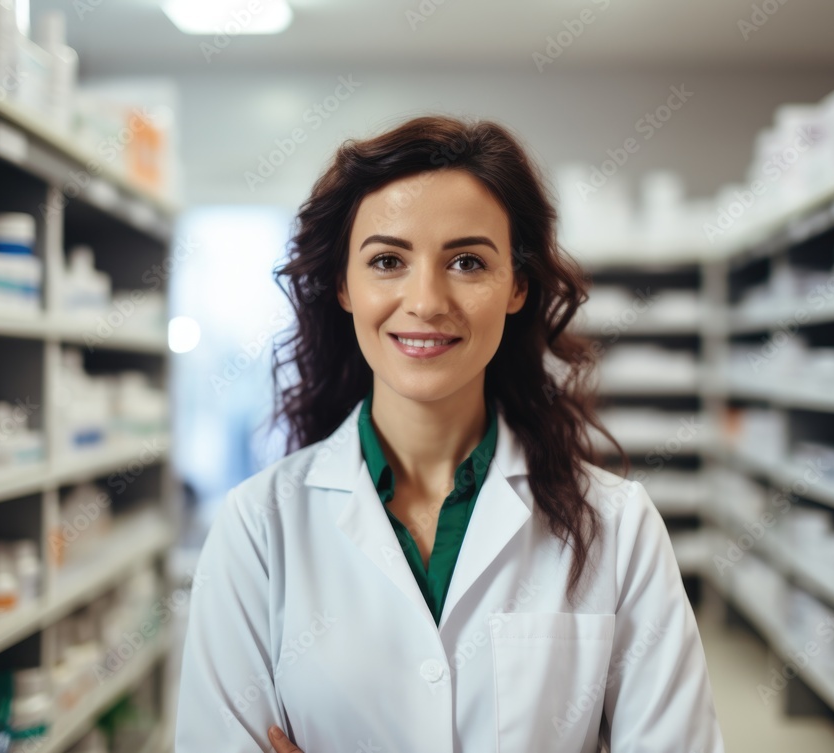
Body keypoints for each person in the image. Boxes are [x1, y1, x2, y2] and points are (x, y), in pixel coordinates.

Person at [175, 115, 725, 752]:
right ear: (343, 285)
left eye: (467, 261)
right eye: (387, 260)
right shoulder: (258, 529)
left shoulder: (617, 527)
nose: (427, 300)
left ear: (517, 286)